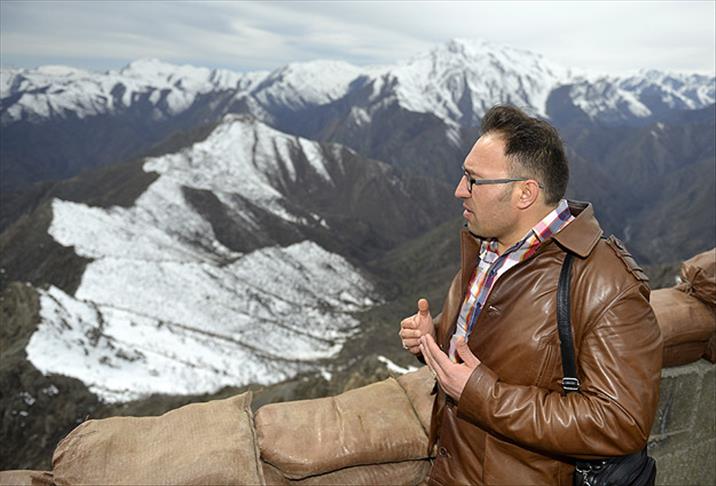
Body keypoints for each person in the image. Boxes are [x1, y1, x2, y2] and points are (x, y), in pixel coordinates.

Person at [398, 105, 663, 485]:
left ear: (525, 193)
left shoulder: (605, 283)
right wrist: (434, 337)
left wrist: (481, 395)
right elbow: (492, 350)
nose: (459, 190)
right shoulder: (488, 249)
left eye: (473, 180)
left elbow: (621, 422)